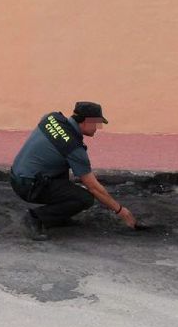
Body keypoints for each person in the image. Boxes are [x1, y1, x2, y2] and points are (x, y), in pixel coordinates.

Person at [10, 101, 137, 240]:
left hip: (16, 174)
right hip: (28, 185)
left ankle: (58, 217)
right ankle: (35, 218)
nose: (97, 128)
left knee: (63, 166)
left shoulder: (52, 118)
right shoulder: (74, 148)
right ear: (86, 121)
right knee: (84, 198)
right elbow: (94, 187)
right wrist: (120, 210)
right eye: (96, 123)